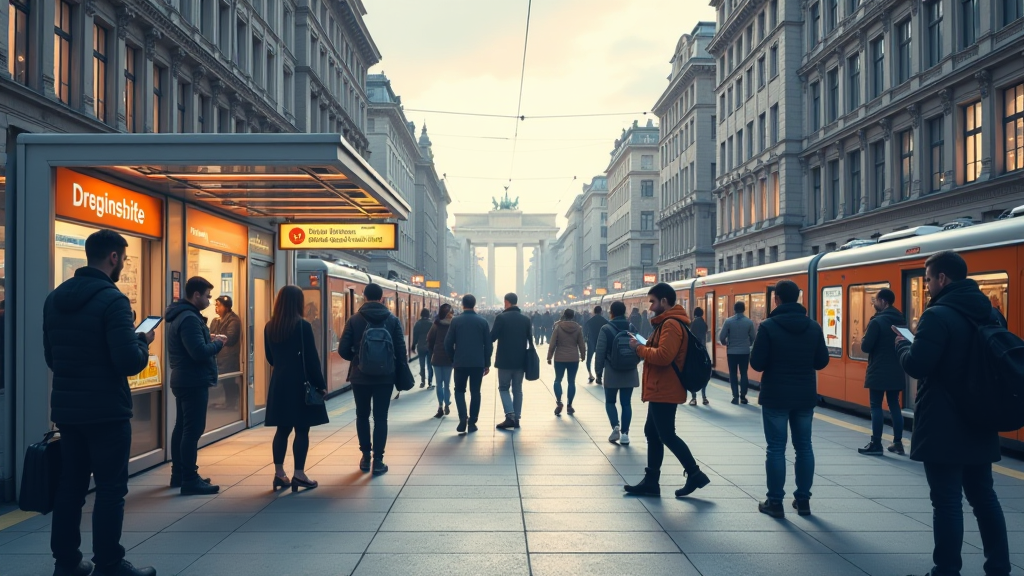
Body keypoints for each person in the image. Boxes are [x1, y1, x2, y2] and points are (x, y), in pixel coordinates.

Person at [44, 229, 157, 576]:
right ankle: (109, 562)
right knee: (110, 489)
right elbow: (128, 362)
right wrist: (143, 341)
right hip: (107, 411)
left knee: (71, 487)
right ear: (113, 257)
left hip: (68, 411)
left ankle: (67, 563)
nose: (123, 264)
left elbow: (52, 358)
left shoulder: (55, 298)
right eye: (123, 258)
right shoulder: (113, 300)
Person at [895, 250, 1010, 576]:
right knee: (985, 499)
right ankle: (999, 568)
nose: (928, 285)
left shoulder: (937, 315)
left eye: (929, 279)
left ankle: (946, 570)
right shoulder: (989, 313)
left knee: (946, 502)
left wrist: (904, 346)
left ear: (942, 278)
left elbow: (918, 365)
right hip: (981, 417)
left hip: (944, 421)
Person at [749, 279, 829, 518]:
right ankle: (803, 501)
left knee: (775, 448)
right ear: (798, 298)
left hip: (776, 396)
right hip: (804, 395)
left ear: (777, 299)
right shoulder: (813, 326)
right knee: (804, 447)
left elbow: (757, 363)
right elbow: (821, 361)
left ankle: (775, 502)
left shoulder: (768, 326)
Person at [625, 283, 710, 498]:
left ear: (664, 301)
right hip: (660, 387)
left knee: (666, 435)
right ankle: (651, 481)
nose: (651, 306)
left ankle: (695, 474)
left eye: (653, 301)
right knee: (653, 433)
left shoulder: (671, 324)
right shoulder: (666, 324)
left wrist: (639, 348)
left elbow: (664, 356)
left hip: (665, 387)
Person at [264, 286, 329, 491]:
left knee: (282, 429)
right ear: (297, 303)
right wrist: (321, 385)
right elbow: (311, 359)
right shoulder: (303, 326)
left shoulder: (270, 326)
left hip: (279, 382)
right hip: (300, 383)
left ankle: (279, 474)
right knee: (302, 429)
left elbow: (270, 358)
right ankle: (299, 474)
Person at [166, 276, 226, 496]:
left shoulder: (181, 316)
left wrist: (206, 338)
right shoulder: (189, 318)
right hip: (192, 380)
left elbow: (192, 346)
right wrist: (217, 343)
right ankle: (189, 479)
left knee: (182, 427)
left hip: (183, 379)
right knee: (192, 430)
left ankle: (179, 474)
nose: (210, 301)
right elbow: (198, 353)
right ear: (196, 295)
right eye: (208, 296)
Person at [338, 283, 406, 475]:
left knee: (362, 415)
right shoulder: (392, 320)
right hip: (385, 377)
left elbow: (343, 349)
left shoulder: (354, 320)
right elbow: (401, 350)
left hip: (360, 377)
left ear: (364, 297)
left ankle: (365, 457)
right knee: (381, 417)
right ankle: (378, 460)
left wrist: (359, 359)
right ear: (382, 298)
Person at [857, 288, 906, 456]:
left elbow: (865, 346)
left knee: (876, 406)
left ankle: (876, 443)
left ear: (883, 302)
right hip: (897, 369)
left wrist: (864, 337)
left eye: (876, 300)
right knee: (894, 406)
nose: (874, 303)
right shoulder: (901, 320)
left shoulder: (876, 322)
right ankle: (898, 443)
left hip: (878, 369)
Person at [445, 294, 493, 434]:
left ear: (462, 304)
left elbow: (448, 343)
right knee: (475, 392)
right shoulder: (482, 322)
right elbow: (488, 345)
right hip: (478, 363)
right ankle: (472, 422)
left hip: (460, 362)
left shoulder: (456, 321)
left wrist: (453, 358)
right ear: (475, 304)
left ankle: (462, 418)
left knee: (459, 391)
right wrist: (487, 363)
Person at [595, 301, 639, 445]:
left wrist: (598, 373)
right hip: (629, 371)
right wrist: (635, 362)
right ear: (625, 312)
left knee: (610, 401)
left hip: (612, 371)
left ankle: (615, 427)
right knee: (626, 403)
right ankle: (625, 434)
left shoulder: (606, 329)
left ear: (611, 312)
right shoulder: (632, 327)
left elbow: (600, 353)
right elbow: (640, 347)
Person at [491, 293, 533, 430]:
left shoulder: (501, 318)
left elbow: (492, 337)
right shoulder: (526, 319)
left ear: (507, 302)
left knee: (503, 388)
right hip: (520, 360)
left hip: (504, 360)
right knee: (517, 389)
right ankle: (517, 418)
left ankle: (510, 416)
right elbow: (530, 340)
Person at [547, 309, 585, 415]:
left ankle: (559, 402)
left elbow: (553, 342)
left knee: (557, 380)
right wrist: (583, 355)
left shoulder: (558, 327)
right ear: (573, 316)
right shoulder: (578, 328)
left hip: (559, 357)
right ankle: (569, 405)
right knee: (571, 382)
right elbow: (581, 344)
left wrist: (549, 356)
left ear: (564, 315)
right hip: (573, 357)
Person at [719, 300, 756, 405]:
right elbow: (754, 337)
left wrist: (726, 343)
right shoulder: (749, 322)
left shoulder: (728, 321)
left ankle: (735, 396)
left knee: (733, 374)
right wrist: (749, 344)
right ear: (744, 309)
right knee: (744, 373)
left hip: (732, 352)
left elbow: (721, 337)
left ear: (734, 309)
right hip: (744, 352)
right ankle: (743, 397)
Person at [209, 295, 242, 410]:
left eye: (219, 305)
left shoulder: (234, 320)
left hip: (229, 358)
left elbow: (230, 338)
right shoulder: (215, 320)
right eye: (215, 305)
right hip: (218, 356)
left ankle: (232, 403)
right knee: (223, 382)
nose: (216, 308)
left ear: (227, 307)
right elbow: (209, 335)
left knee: (229, 382)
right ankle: (227, 403)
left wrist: (216, 337)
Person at [426, 303, 455, 418]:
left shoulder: (436, 324)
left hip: (437, 357)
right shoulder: (453, 325)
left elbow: (430, 339)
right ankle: (447, 402)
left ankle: (440, 406)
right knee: (447, 383)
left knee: (439, 384)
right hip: (449, 358)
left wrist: (433, 350)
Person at [584, 306, 609, 384]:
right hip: (601, 342)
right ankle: (599, 376)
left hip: (591, 342)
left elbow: (584, 333)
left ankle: (590, 374)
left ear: (594, 312)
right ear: (601, 311)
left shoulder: (589, 321)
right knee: (601, 360)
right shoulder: (605, 321)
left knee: (589, 359)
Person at [689, 307, 709, 405]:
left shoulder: (694, 322)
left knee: (693, 373)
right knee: (703, 373)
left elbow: (691, 336)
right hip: (703, 350)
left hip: (695, 351)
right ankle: (704, 397)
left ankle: (694, 398)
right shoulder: (704, 323)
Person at [411, 308, 434, 389]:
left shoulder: (418, 324)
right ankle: (430, 382)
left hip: (420, 346)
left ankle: (422, 381)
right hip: (430, 347)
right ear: (428, 315)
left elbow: (415, 336)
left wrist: (413, 346)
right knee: (429, 365)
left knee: (422, 364)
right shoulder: (431, 324)